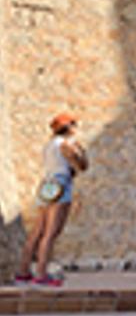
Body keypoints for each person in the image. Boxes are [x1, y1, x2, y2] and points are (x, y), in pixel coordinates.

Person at [15, 114, 89, 287]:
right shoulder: (65, 145)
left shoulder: (49, 145)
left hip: (47, 185)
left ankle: (23, 272)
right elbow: (82, 165)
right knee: (51, 232)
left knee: (37, 231)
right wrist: (79, 150)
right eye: (73, 124)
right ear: (68, 127)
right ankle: (41, 274)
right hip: (61, 184)